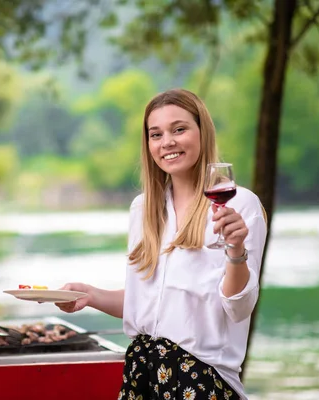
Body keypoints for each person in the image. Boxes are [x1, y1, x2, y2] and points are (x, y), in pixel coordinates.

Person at [56, 89, 267, 400]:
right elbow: (149, 304)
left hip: (203, 380)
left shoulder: (240, 203)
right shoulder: (142, 209)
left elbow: (239, 308)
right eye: (156, 134)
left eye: (179, 129)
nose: (167, 141)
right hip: (144, 376)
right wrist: (90, 295)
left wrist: (236, 252)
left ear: (202, 133)